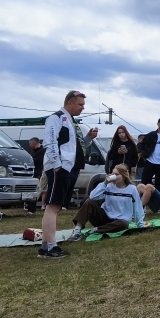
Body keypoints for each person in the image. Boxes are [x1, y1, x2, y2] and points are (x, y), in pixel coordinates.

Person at [40, 90, 98, 259]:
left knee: (57, 206)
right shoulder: (56, 118)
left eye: (83, 105)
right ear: (70, 102)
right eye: (80, 104)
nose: (83, 108)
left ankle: (46, 246)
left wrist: (88, 139)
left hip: (71, 168)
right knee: (53, 206)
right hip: (60, 168)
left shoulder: (72, 121)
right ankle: (50, 248)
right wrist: (57, 165)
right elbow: (50, 141)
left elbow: (73, 146)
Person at [68, 164, 145, 241]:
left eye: (116, 174)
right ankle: (77, 231)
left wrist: (140, 224)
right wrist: (104, 183)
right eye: (112, 174)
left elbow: (137, 207)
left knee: (124, 224)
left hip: (118, 222)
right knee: (89, 202)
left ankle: (97, 230)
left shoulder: (132, 189)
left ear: (124, 176)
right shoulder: (108, 186)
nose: (113, 176)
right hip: (104, 218)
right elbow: (92, 196)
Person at [24, 137, 46, 214]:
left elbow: (40, 161)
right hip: (30, 172)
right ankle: (28, 207)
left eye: (30, 143)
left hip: (37, 172)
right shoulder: (33, 152)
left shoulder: (42, 151)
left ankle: (32, 209)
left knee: (34, 189)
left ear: (34, 143)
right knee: (29, 189)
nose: (29, 145)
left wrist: (30, 159)